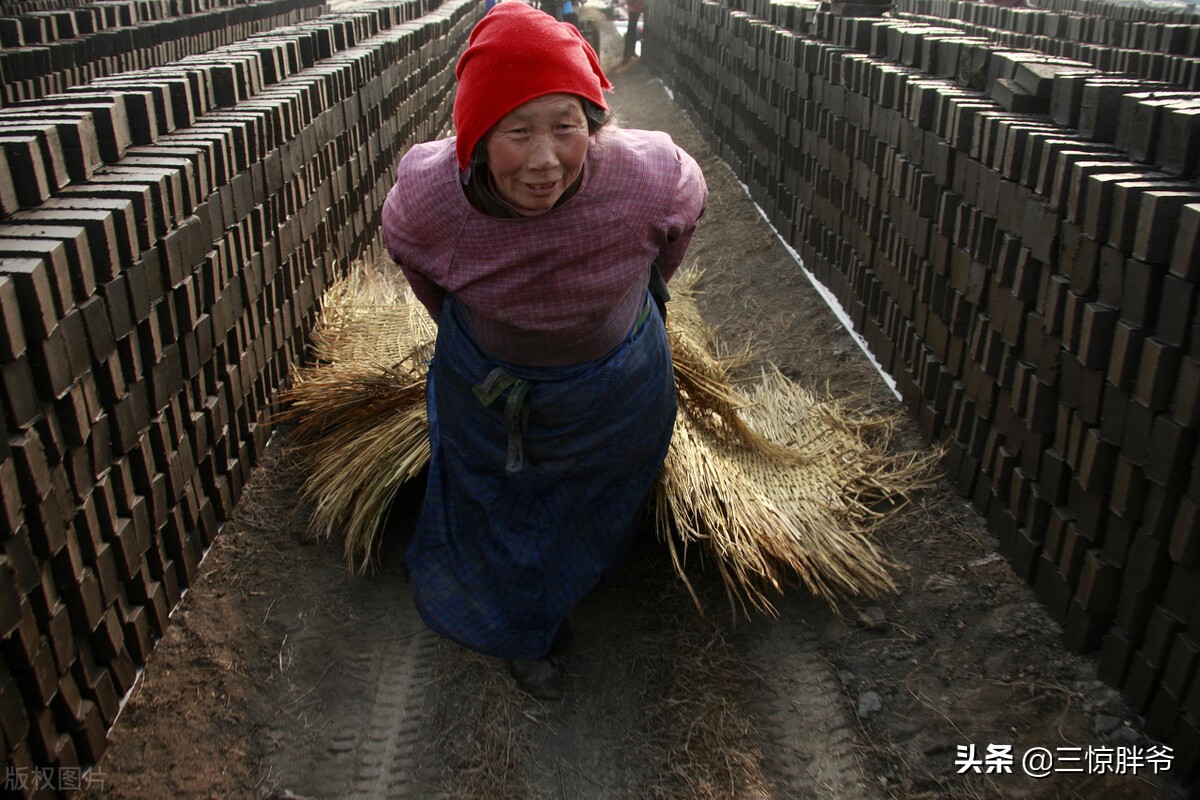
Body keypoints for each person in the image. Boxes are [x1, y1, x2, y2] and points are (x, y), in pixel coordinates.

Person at [381, 0, 706, 699]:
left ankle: (580, 577)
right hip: (492, 392)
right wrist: (479, 338)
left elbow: (684, 214)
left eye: (566, 128)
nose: (544, 161)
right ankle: (523, 627)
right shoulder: (436, 198)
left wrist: (635, 301)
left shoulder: (644, 175)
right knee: (500, 506)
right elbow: (409, 251)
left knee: (600, 499)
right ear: (473, 138)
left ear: (593, 126)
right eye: (515, 132)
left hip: (618, 391)